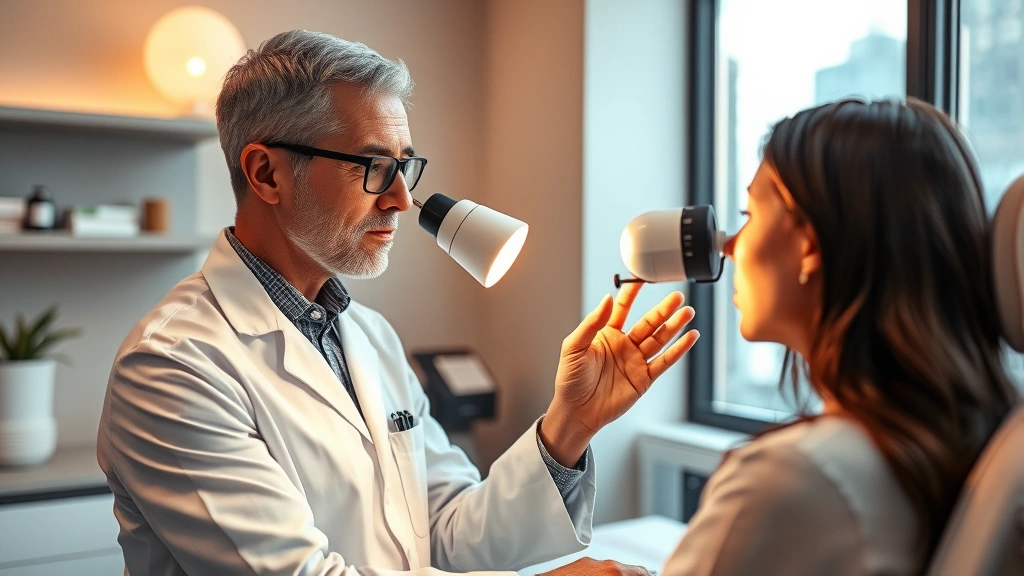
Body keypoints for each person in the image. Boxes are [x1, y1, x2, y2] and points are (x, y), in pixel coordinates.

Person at [96, 30, 697, 576]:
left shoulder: (368, 336)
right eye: (375, 167)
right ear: (267, 174)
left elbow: (448, 533)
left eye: (404, 165)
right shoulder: (173, 365)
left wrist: (570, 424)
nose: (403, 201)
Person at [653, 99, 1019, 575]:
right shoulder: (965, 436)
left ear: (808, 244)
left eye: (749, 214)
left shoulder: (791, 477)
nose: (730, 245)